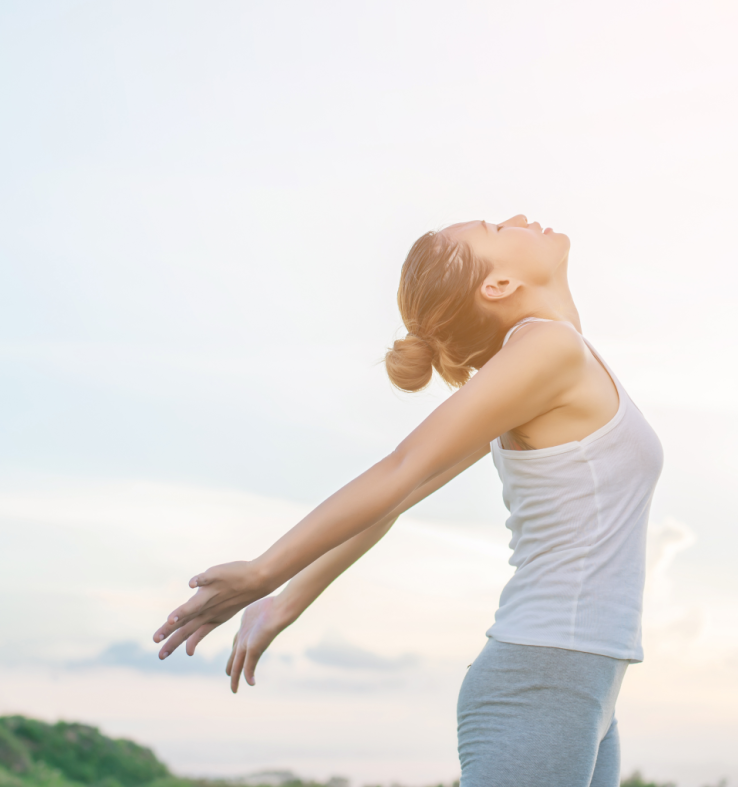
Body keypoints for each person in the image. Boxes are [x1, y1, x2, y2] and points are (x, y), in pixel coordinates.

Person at [153, 215, 663, 787]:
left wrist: (286, 602)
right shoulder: (549, 348)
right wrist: (266, 573)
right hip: (543, 676)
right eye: (496, 228)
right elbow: (403, 470)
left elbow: (400, 497)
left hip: (583, 681)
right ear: (496, 286)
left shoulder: (546, 363)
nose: (518, 219)